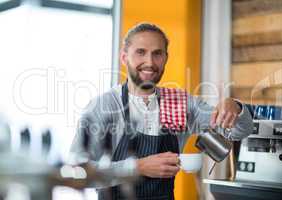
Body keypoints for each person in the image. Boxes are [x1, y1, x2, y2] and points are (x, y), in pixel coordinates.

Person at [70, 23, 253, 200]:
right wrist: (137, 168)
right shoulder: (104, 106)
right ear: (124, 57)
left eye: (157, 54)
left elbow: (240, 131)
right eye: (141, 52)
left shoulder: (179, 104)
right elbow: (77, 173)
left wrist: (235, 107)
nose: (149, 62)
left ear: (165, 58)